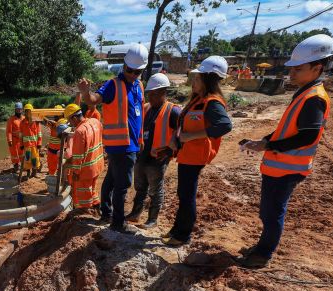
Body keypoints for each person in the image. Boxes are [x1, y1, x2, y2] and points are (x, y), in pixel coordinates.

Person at [237, 35, 333, 268]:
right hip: (281, 167)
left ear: (316, 68)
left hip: (288, 169)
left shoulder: (313, 99)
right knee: (268, 212)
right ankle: (263, 247)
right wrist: (264, 141)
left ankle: (263, 254)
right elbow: (287, 131)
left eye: (298, 69)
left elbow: (308, 135)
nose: (292, 74)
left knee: (272, 214)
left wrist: (270, 145)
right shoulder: (305, 93)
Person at [77, 43, 148, 233]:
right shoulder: (113, 85)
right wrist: (85, 93)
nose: (132, 74)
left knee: (110, 180)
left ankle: (106, 213)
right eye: (129, 70)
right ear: (124, 66)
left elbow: (139, 113)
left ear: (142, 71)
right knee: (122, 185)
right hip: (120, 145)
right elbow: (93, 100)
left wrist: (140, 140)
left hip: (132, 144)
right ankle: (117, 223)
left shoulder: (139, 86)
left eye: (137, 72)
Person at [162, 56, 233, 246]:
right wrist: (175, 138)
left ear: (208, 79)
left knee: (187, 195)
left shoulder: (212, 103)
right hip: (186, 154)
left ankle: (183, 235)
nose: (193, 81)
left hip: (196, 156)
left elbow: (225, 126)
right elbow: (184, 122)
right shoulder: (198, 100)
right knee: (183, 193)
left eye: (197, 78)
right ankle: (177, 229)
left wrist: (192, 137)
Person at [125, 73, 181, 228]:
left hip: (157, 158)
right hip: (142, 155)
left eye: (155, 94)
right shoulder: (146, 108)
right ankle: (135, 214)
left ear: (164, 92)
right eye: (149, 94)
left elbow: (183, 130)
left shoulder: (173, 111)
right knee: (140, 187)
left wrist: (171, 151)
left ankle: (152, 220)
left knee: (155, 190)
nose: (151, 97)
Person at [64, 103, 104, 212]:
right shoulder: (96, 122)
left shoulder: (80, 131)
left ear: (75, 118)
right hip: (98, 165)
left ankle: (86, 212)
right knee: (93, 189)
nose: (70, 123)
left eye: (70, 120)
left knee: (83, 192)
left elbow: (78, 156)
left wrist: (76, 172)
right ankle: (97, 207)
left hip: (86, 170)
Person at [20, 103, 43, 180]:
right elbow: (21, 134)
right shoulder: (22, 122)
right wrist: (21, 144)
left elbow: (39, 133)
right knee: (27, 160)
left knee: (35, 159)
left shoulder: (36, 122)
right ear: (25, 112)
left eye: (29, 111)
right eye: (26, 111)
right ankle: (28, 173)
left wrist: (39, 143)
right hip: (27, 146)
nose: (28, 113)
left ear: (32, 112)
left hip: (34, 145)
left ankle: (34, 173)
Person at [44, 105, 65, 175]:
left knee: (61, 167)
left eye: (57, 114)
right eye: (55, 114)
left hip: (59, 150)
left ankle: (60, 179)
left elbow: (61, 126)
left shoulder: (63, 123)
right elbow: (47, 123)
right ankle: (51, 176)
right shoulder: (52, 123)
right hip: (51, 149)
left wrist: (55, 123)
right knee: (51, 167)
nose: (55, 116)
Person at [6, 102, 24, 172]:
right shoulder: (11, 119)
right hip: (14, 141)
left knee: (22, 154)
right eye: (17, 109)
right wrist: (9, 140)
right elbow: (8, 131)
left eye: (20, 109)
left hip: (22, 140)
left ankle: (23, 166)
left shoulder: (24, 118)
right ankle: (16, 166)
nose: (18, 111)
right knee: (14, 154)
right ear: (15, 110)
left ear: (22, 110)